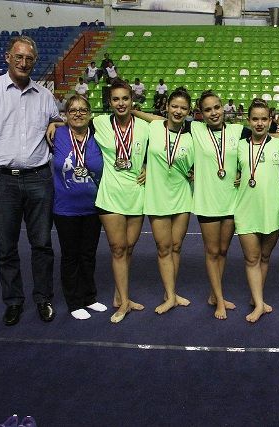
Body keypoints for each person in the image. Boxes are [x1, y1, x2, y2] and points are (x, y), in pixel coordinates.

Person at [0, 35, 61, 326]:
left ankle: (43, 298)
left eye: (29, 58)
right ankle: (14, 301)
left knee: (42, 244)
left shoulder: (45, 96)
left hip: (39, 179)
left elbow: (58, 122)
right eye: (18, 57)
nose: (23, 63)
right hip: (1, 181)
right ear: (8, 57)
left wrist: (55, 123)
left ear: (34, 61)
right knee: (6, 247)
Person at [134, 90, 248, 319]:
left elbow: (261, 140)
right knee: (208, 251)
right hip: (206, 201)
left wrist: (241, 171)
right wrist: (135, 110)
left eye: (217, 107)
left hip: (231, 200)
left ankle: (215, 295)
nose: (214, 112)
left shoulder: (238, 131)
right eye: (207, 109)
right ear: (199, 114)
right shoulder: (195, 129)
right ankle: (184, 295)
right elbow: (160, 123)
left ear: (223, 107)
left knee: (222, 251)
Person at [93, 79, 150, 323]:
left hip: (137, 194)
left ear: (132, 100)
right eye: (115, 99)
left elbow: (164, 122)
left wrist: (148, 166)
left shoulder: (145, 127)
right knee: (117, 249)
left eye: (125, 99)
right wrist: (54, 123)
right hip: (110, 196)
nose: (120, 103)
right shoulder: (100, 122)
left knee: (128, 248)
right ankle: (125, 303)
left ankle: (119, 296)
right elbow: (73, 118)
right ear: (109, 102)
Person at [52, 95, 107, 320]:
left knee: (88, 254)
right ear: (65, 114)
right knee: (70, 255)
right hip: (65, 208)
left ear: (90, 113)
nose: (78, 113)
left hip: (93, 207)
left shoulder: (99, 136)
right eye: (72, 110)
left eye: (83, 110)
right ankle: (74, 302)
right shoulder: (57, 135)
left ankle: (89, 297)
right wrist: (52, 123)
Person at [139, 87, 194, 314]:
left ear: (189, 111)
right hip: (158, 194)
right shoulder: (153, 127)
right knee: (163, 248)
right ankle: (171, 296)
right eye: (174, 106)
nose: (178, 111)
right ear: (167, 107)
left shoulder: (193, 134)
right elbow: (131, 119)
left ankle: (169, 293)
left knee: (176, 246)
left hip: (181, 193)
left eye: (183, 107)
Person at [235, 99, 279, 322]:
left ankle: (258, 298)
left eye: (264, 119)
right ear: (249, 120)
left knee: (265, 257)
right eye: (255, 119)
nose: (259, 123)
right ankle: (258, 304)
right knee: (252, 258)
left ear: (270, 120)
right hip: (246, 209)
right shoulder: (238, 146)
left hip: (272, 211)